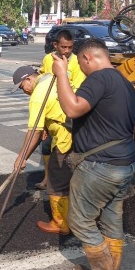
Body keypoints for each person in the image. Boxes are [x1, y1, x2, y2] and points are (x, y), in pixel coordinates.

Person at [52, 38, 135, 270]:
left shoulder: (99, 79)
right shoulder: (124, 83)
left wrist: (61, 74)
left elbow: (73, 107)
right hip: (124, 163)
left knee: (80, 221)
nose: (81, 67)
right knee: (111, 220)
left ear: (88, 58)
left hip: (100, 167)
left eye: (80, 62)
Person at [12, 65, 73, 234]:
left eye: (22, 87)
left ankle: (60, 224)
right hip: (81, 133)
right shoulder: (51, 78)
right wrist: (46, 123)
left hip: (65, 138)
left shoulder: (38, 95)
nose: (24, 92)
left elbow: (34, 132)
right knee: (75, 178)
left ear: (29, 79)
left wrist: (22, 157)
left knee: (56, 179)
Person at [35, 29, 86, 190]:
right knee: (46, 146)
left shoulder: (77, 63)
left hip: (66, 115)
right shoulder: (48, 59)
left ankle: (67, 182)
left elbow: (77, 89)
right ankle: (47, 178)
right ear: (55, 45)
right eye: (63, 47)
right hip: (49, 112)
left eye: (70, 47)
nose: (67, 51)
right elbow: (42, 81)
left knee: (64, 151)